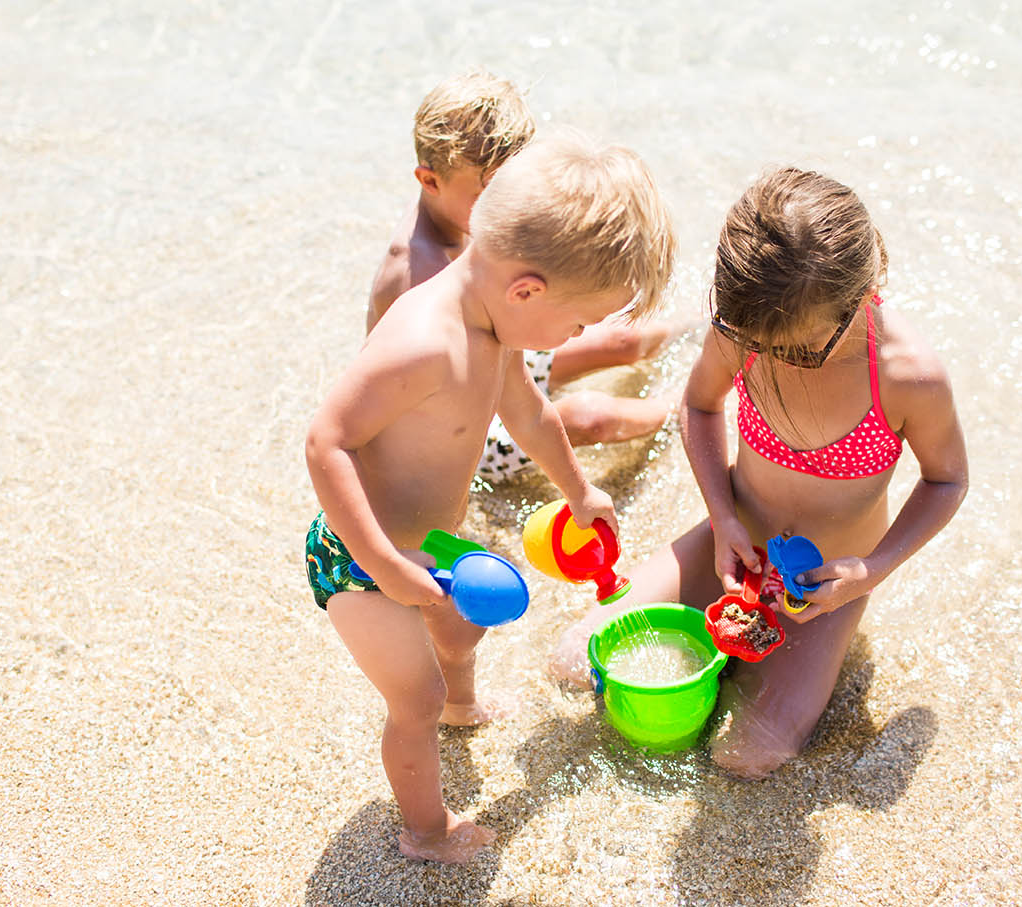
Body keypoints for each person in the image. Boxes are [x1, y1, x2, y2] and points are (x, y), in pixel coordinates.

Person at [306, 136, 676, 862]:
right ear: (527, 291)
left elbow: (531, 416)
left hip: (429, 542)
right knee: (410, 701)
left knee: (461, 632)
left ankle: (462, 704)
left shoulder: (496, 327)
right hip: (358, 556)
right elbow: (327, 442)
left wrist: (579, 490)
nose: (575, 338)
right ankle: (425, 832)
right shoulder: (424, 341)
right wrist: (381, 562)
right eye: (578, 324)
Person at [551, 167, 968, 779]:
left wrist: (871, 570)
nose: (776, 361)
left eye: (798, 351)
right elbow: (700, 405)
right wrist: (722, 517)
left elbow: (947, 480)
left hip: (823, 588)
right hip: (733, 545)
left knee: (748, 758)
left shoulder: (907, 375)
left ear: (863, 292)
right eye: (761, 346)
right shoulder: (746, 329)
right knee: (575, 662)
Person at [367, 70, 678, 481]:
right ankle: (684, 410)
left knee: (623, 339)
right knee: (589, 417)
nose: (507, 203)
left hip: (499, 350)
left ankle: (701, 335)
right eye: (491, 189)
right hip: (463, 431)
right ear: (430, 180)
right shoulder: (416, 271)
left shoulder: (463, 215)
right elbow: (469, 392)